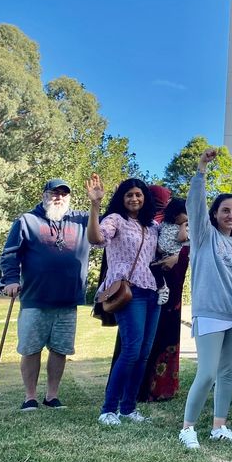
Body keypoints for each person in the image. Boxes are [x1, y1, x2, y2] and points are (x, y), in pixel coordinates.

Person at [178, 149, 232, 450]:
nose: (231, 215)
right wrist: (201, 171)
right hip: (209, 313)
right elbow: (194, 205)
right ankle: (187, 428)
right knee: (207, 372)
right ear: (214, 213)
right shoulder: (203, 234)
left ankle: (219, 426)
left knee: (226, 374)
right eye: (225, 210)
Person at [1, 179, 91, 412]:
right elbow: (10, 254)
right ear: (44, 195)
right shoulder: (26, 221)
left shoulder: (82, 220)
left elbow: (109, 223)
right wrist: (10, 280)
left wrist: (96, 202)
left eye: (64, 193)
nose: (59, 197)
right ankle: (29, 396)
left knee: (60, 349)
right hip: (35, 298)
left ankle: (52, 396)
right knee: (31, 348)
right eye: (54, 193)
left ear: (69, 197)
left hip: (68, 299)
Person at [86, 175, 163, 426]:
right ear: (122, 198)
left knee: (142, 353)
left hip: (151, 291)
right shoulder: (115, 220)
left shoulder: (152, 226)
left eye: (138, 194)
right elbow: (96, 239)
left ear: (145, 198)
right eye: (129, 195)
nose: (134, 198)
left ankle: (128, 408)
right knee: (130, 350)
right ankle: (108, 409)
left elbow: (176, 240)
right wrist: (95, 205)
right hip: (128, 291)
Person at [138, 197, 189, 402]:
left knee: (163, 330)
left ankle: (158, 385)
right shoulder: (172, 228)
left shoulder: (160, 227)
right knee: (160, 331)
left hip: (168, 281)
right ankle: (156, 386)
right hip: (165, 281)